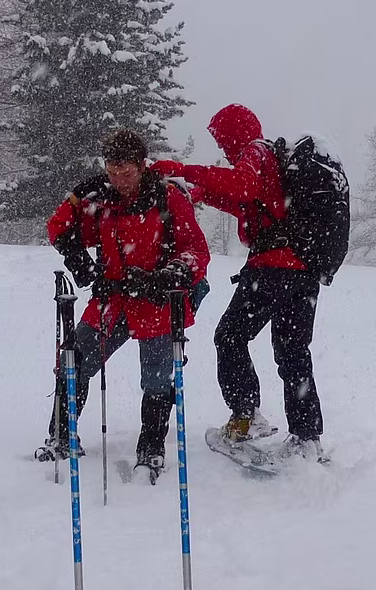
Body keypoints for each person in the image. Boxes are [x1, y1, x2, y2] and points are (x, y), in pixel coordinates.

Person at [38, 128, 211, 479]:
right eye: (112, 171)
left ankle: (151, 450)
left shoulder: (168, 198)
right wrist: (76, 203)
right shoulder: (101, 199)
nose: (119, 180)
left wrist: (164, 277)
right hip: (113, 300)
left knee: (157, 381)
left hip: (156, 303)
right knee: (73, 361)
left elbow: (196, 252)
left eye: (126, 172)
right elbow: (58, 228)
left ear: (142, 166)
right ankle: (61, 437)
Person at [154, 105, 324, 461]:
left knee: (229, 336)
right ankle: (306, 438)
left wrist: (183, 170)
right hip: (303, 271)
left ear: (234, 133)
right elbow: (252, 204)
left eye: (222, 140)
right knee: (293, 352)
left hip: (271, 269)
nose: (222, 148)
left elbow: (243, 187)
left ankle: (246, 416)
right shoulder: (273, 161)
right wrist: (202, 194)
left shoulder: (255, 150)